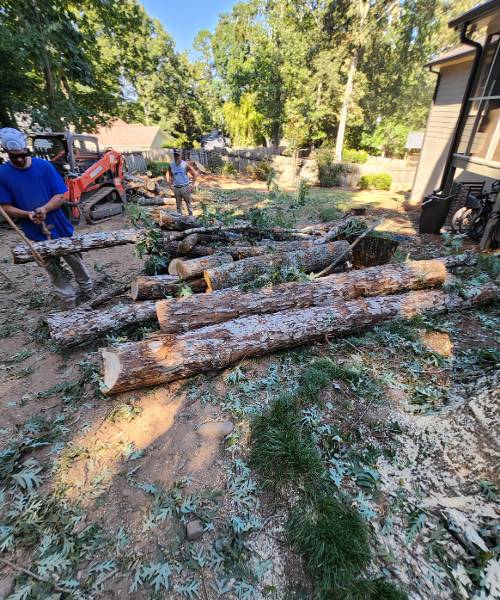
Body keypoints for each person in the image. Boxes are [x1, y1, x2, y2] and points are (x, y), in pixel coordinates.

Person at [0, 128, 93, 309]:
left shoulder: (44, 167)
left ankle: (88, 291)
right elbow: (4, 207)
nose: (19, 159)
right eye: (13, 157)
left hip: (59, 225)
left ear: (27, 150)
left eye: (22, 155)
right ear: (7, 153)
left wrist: (44, 208)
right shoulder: (3, 174)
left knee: (75, 260)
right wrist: (27, 214)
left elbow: (61, 195)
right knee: (51, 268)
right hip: (33, 230)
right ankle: (69, 300)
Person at [166, 149, 197, 216]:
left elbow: (194, 174)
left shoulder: (185, 164)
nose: (176, 157)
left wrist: (192, 185)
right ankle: (180, 218)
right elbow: (169, 174)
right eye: (175, 155)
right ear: (174, 155)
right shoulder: (171, 165)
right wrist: (170, 185)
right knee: (178, 205)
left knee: (188, 204)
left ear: (181, 155)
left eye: (178, 155)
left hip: (185, 188)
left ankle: (191, 217)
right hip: (176, 188)